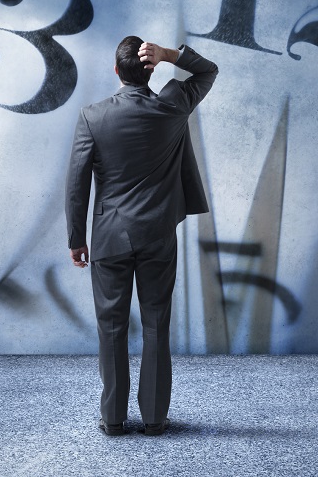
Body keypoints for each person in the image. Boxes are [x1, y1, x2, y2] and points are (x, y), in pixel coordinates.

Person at [65, 36, 218, 436]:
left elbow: (76, 185)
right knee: (156, 324)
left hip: (109, 235)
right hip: (158, 234)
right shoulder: (172, 106)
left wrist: (75, 238)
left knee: (111, 326)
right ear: (150, 70)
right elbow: (208, 70)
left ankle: (113, 419)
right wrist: (171, 55)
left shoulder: (92, 116)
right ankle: (153, 418)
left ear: (116, 72)